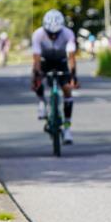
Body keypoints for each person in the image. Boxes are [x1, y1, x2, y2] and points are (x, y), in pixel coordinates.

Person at [31, 9, 79, 144]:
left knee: (67, 90)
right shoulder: (38, 34)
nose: (53, 36)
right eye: (50, 33)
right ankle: (42, 101)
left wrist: (73, 75)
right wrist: (37, 74)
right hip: (44, 60)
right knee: (36, 80)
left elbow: (71, 57)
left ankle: (67, 128)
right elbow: (36, 58)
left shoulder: (68, 33)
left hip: (61, 61)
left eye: (56, 34)